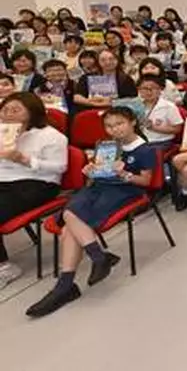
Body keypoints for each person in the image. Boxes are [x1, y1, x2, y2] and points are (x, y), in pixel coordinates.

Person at [25, 106, 154, 318]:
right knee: (71, 217)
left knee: (69, 220)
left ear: (132, 122)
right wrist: (90, 171)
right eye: (109, 126)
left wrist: (124, 174)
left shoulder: (144, 149)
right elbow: (94, 176)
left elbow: (146, 181)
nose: (115, 130)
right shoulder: (106, 146)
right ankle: (96, 258)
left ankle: (66, 285)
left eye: (120, 124)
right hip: (98, 187)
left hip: (124, 190)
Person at [0, 93, 68, 290]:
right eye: (5, 110)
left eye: (16, 110)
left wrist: (24, 159)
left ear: (32, 112)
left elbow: (59, 167)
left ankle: (4, 267)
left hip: (37, 183)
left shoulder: (52, 136)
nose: (9, 115)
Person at [72, 48, 137, 111]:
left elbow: (132, 99)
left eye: (111, 59)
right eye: (103, 60)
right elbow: (77, 97)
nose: (108, 62)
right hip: (92, 110)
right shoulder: (87, 77)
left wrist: (113, 102)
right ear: (98, 62)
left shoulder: (125, 79)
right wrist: (91, 102)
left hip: (118, 111)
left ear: (117, 60)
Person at [136, 75, 184, 153]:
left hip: (162, 142)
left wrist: (154, 128)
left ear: (160, 89)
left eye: (153, 88)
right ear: (139, 90)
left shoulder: (169, 106)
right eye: (144, 88)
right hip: (140, 141)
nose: (149, 91)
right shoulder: (136, 105)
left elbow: (177, 129)